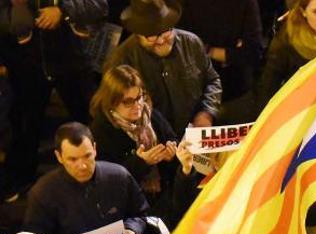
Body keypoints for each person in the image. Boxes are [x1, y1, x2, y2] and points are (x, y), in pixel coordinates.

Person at [0, 0, 105, 199]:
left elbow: (99, 5)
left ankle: (101, 176)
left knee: (91, 119)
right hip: (24, 62)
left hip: (71, 59)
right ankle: (20, 184)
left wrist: (63, 11)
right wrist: (20, 16)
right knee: (24, 128)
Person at [105, 0, 222, 135]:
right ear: (137, 33)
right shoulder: (120, 61)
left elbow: (212, 80)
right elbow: (113, 110)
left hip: (196, 134)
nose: (160, 41)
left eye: (164, 31)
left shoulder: (191, 42)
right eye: (151, 36)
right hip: (155, 146)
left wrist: (206, 114)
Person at [89, 65, 178, 215]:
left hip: (163, 194)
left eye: (139, 97)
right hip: (129, 206)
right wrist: (141, 162)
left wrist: (172, 153)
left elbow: (173, 140)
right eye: (128, 101)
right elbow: (106, 180)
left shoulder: (151, 115)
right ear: (112, 101)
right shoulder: (101, 130)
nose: (137, 106)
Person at [255, 0, 316, 109]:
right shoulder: (287, 40)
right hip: (298, 109)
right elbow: (269, 86)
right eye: (315, 12)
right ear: (303, 12)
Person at [178, 0, 263, 101]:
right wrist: (227, 53)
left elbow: (253, 52)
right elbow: (183, 47)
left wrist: (207, 51)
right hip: (199, 90)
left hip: (234, 88)